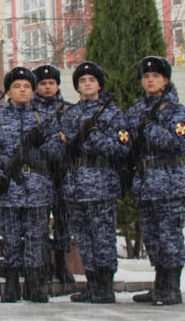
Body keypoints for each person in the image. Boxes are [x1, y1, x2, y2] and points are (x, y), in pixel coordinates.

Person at [0, 67, 66, 303]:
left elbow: (58, 151)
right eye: (17, 86)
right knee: (10, 238)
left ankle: (33, 284)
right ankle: (11, 285)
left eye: (27, 86)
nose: (22, 90)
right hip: (8, 187)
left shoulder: (43, 118)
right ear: (8, 90)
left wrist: (43, 144)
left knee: (36, 237)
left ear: (33, 91)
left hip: (37, 188)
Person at [127, 56, 185, 306]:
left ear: (165, 80)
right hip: (145, 184)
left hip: (169, 182)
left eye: (155, 76)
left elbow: (179, 145)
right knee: (153, 238)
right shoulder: (135, 111)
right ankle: (159, 286)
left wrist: (149, 129)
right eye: (146, 76)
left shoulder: (178, 111)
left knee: (170, 237)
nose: (150, 80)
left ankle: (172, 288)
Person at [61, 62, 129, 303]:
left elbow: (121, 149)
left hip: (101, 184)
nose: (87, 84)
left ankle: (105, 286)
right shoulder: (69, 114)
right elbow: (62, 147)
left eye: (91, 80)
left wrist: (93, 135)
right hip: (76, 185)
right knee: (83, 238)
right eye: (82, 81)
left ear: (99, 84)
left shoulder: (113, 114)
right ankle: (91, 284)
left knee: (102, 237)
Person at [31, 64, 75, 286]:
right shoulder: (30, 111)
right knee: (40, 222)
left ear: (57, 85)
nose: (47, 87)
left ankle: (62, 264)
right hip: (41, 173)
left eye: (51, 83)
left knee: (63, 221)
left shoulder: (69, 110)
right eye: (42, 83)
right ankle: (45, 264)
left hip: (64, 173)